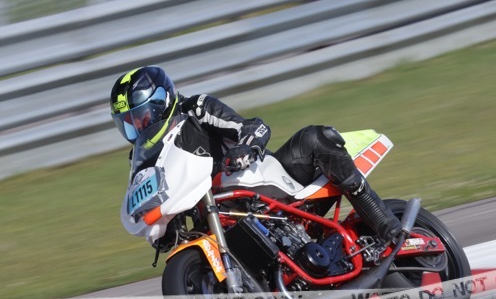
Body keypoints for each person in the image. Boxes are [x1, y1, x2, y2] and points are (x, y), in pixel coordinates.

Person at [110, 66, 401, 249]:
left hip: (265, 180)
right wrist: (161, 230)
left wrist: (244, 149)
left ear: (161, 102)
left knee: (315, 137)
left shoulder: (195, 109)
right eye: (129, 123)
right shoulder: (143, 158)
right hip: (217, 215)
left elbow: (253, 127)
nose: (138, 126)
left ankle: (388, 227)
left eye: (141, 116)